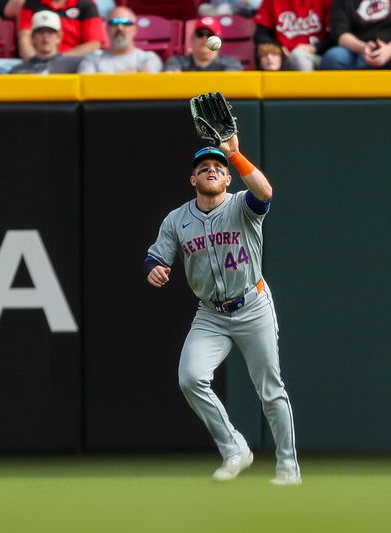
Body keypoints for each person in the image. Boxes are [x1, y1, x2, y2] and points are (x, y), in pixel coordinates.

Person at [144, 136, 302, 486]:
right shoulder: (176, 220)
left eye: (218, 168)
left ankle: (288, 467)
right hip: (211, 313)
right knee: (190, 377)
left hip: (252, 303)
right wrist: (154, 269)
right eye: (203, 168)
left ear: (228, 178)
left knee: (270, 389)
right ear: (193, 180)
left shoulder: (241, 205)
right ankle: (234, 449)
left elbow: (265, 191)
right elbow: (156, 256)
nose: (211, 170)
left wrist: (234, 154)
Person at [77, 6, 163, 73]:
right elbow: (86, 85)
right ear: (106, 28)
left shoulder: (148, 58)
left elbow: (147, 81)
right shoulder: (92, 59)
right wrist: (135, 73)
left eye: (125, 23)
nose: (120, 27)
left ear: (135, 29)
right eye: (114, 23)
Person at [253, 0, 331, 71]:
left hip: (318, 56)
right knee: (269, 56)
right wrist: (279, 47)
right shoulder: (272, 1)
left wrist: (315, 48)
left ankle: (309, 86)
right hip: (285, 58)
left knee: (298, 56)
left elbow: (335, 35)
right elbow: (260, 35)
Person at [319, 0, 391, 70]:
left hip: (388, 48)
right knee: (334, 57)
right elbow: (340, 34)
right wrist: (364, 48)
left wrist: (388, 50)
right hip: (357, 51)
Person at [9, 9, 82, 73]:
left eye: (50, 32)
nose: (45, 36)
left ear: (59, 37)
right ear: (33, 37)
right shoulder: (18, 70)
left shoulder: (74, 65)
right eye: (40, 32)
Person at [164, 16, 243, 71]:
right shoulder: (177, 62)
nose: (204, 38)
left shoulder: (231, 63)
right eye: (200, 34)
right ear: (192, 38)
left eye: (210, 35)